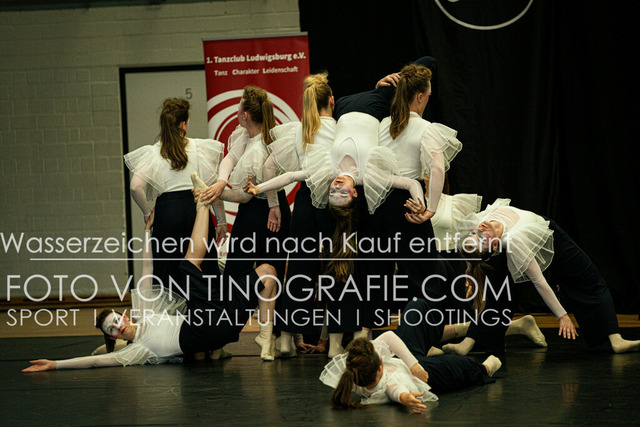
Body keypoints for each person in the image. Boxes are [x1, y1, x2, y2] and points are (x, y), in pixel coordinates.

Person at [22, 174, 280, 373]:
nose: (119, 326)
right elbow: (95, 362)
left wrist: (147, 231)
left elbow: (148, 269)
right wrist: (55, 364)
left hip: (223, 321)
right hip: (202, 328)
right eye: (113, 329)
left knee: (268, 273)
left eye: (116, 320)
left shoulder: (145, 311)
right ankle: (203, 204)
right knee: (188, 268)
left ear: (124, 315)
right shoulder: (138, 351)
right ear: (112, 336)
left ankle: (264, 337)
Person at [443, 198, 640, 356]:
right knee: (498, 292)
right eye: (480, 236)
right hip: (520, 241)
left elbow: (472, 251)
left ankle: (615, 339)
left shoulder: (479, 224)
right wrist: (562, 316)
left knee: (587, 278)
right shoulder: (513, 241)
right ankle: (470, 342)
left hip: (548, 237)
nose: (480, 228)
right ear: (494, 246)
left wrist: (469, 268)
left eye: (475, 232)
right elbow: (539, 282)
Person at [257, 72, 337, 357]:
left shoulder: (300, 130)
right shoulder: (340, 129)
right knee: (335, 271)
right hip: (333, 200)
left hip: (305, 200)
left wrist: (274, 205)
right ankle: (333, 342)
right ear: (331, 100)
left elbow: (268, 168)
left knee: (299, 271)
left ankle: (285, 340)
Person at [320, 299, 501, 413]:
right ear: (380, 364)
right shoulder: (389, 383)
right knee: (455, 365)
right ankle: (484, 368)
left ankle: (434, 340)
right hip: (423, 376)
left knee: (416, 307)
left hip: (408, 362)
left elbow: (389, 337)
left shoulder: (355, 366)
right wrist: (406, 397)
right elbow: (397, 391)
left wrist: (413, 364)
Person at [124, 98, 226, 288]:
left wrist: (147, 213)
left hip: (167, 212)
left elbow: (135, 186)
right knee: (203, 270)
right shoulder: (198, 148)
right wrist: (221, 221)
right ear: (184, 124)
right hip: (196, 210)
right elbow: (211, 188)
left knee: (168, 274)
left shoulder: (154, 152)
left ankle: (170, 307)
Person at [199, 86, 291, 280]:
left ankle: (261, 301)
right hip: (260, 207)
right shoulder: (247, 134)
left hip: (264, 210)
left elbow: (244, 196)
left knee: (265, 270)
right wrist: (221, 182)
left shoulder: (258, 149)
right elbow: (230, 158)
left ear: (246, 115)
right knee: (244, 268)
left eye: (239, 108)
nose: (237, 112)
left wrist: (217, 192)